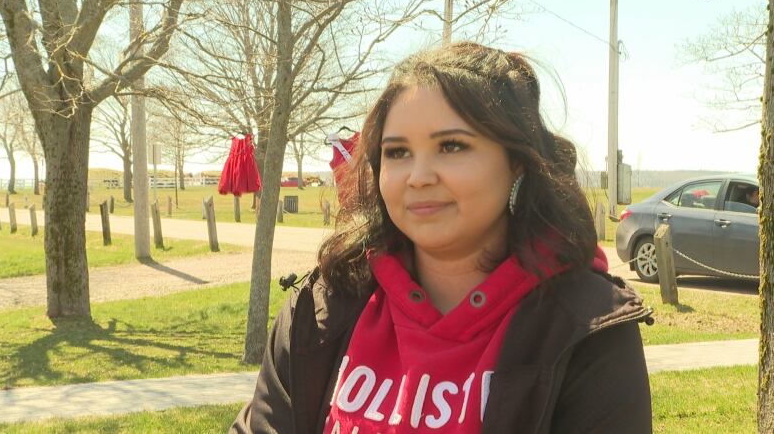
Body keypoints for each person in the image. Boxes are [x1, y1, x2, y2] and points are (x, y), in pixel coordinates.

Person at [231, 42, 653, 434]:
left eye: (451, 146)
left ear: (518, 164)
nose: (418, 177)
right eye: (397, 152)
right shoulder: (322, 307)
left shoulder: (587, 329)